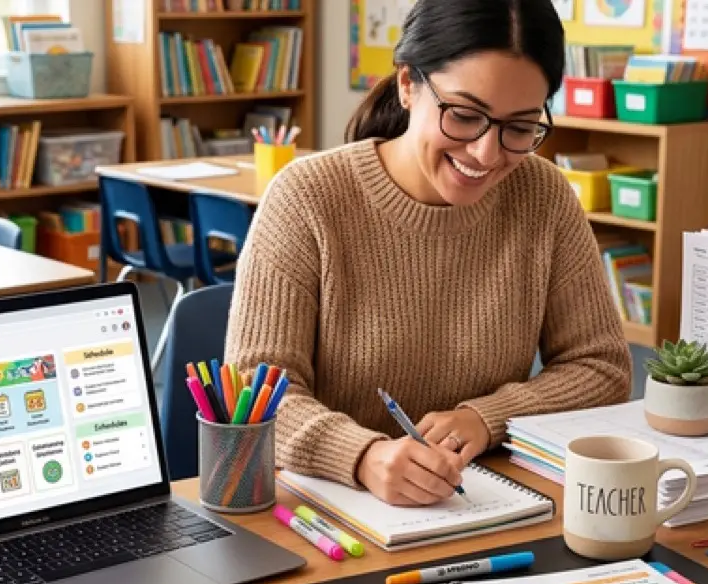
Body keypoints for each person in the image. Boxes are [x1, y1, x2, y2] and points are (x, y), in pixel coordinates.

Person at [225, 0, 632, 506]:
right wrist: (362, 456)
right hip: (333, 509)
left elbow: (602, 367)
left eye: (521, 128)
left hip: (486, 503)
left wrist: (489, 418)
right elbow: (254, 387)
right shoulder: (307, 197)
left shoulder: (542, 195)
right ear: (407, 85)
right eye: (464, 116)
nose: (486, 153)